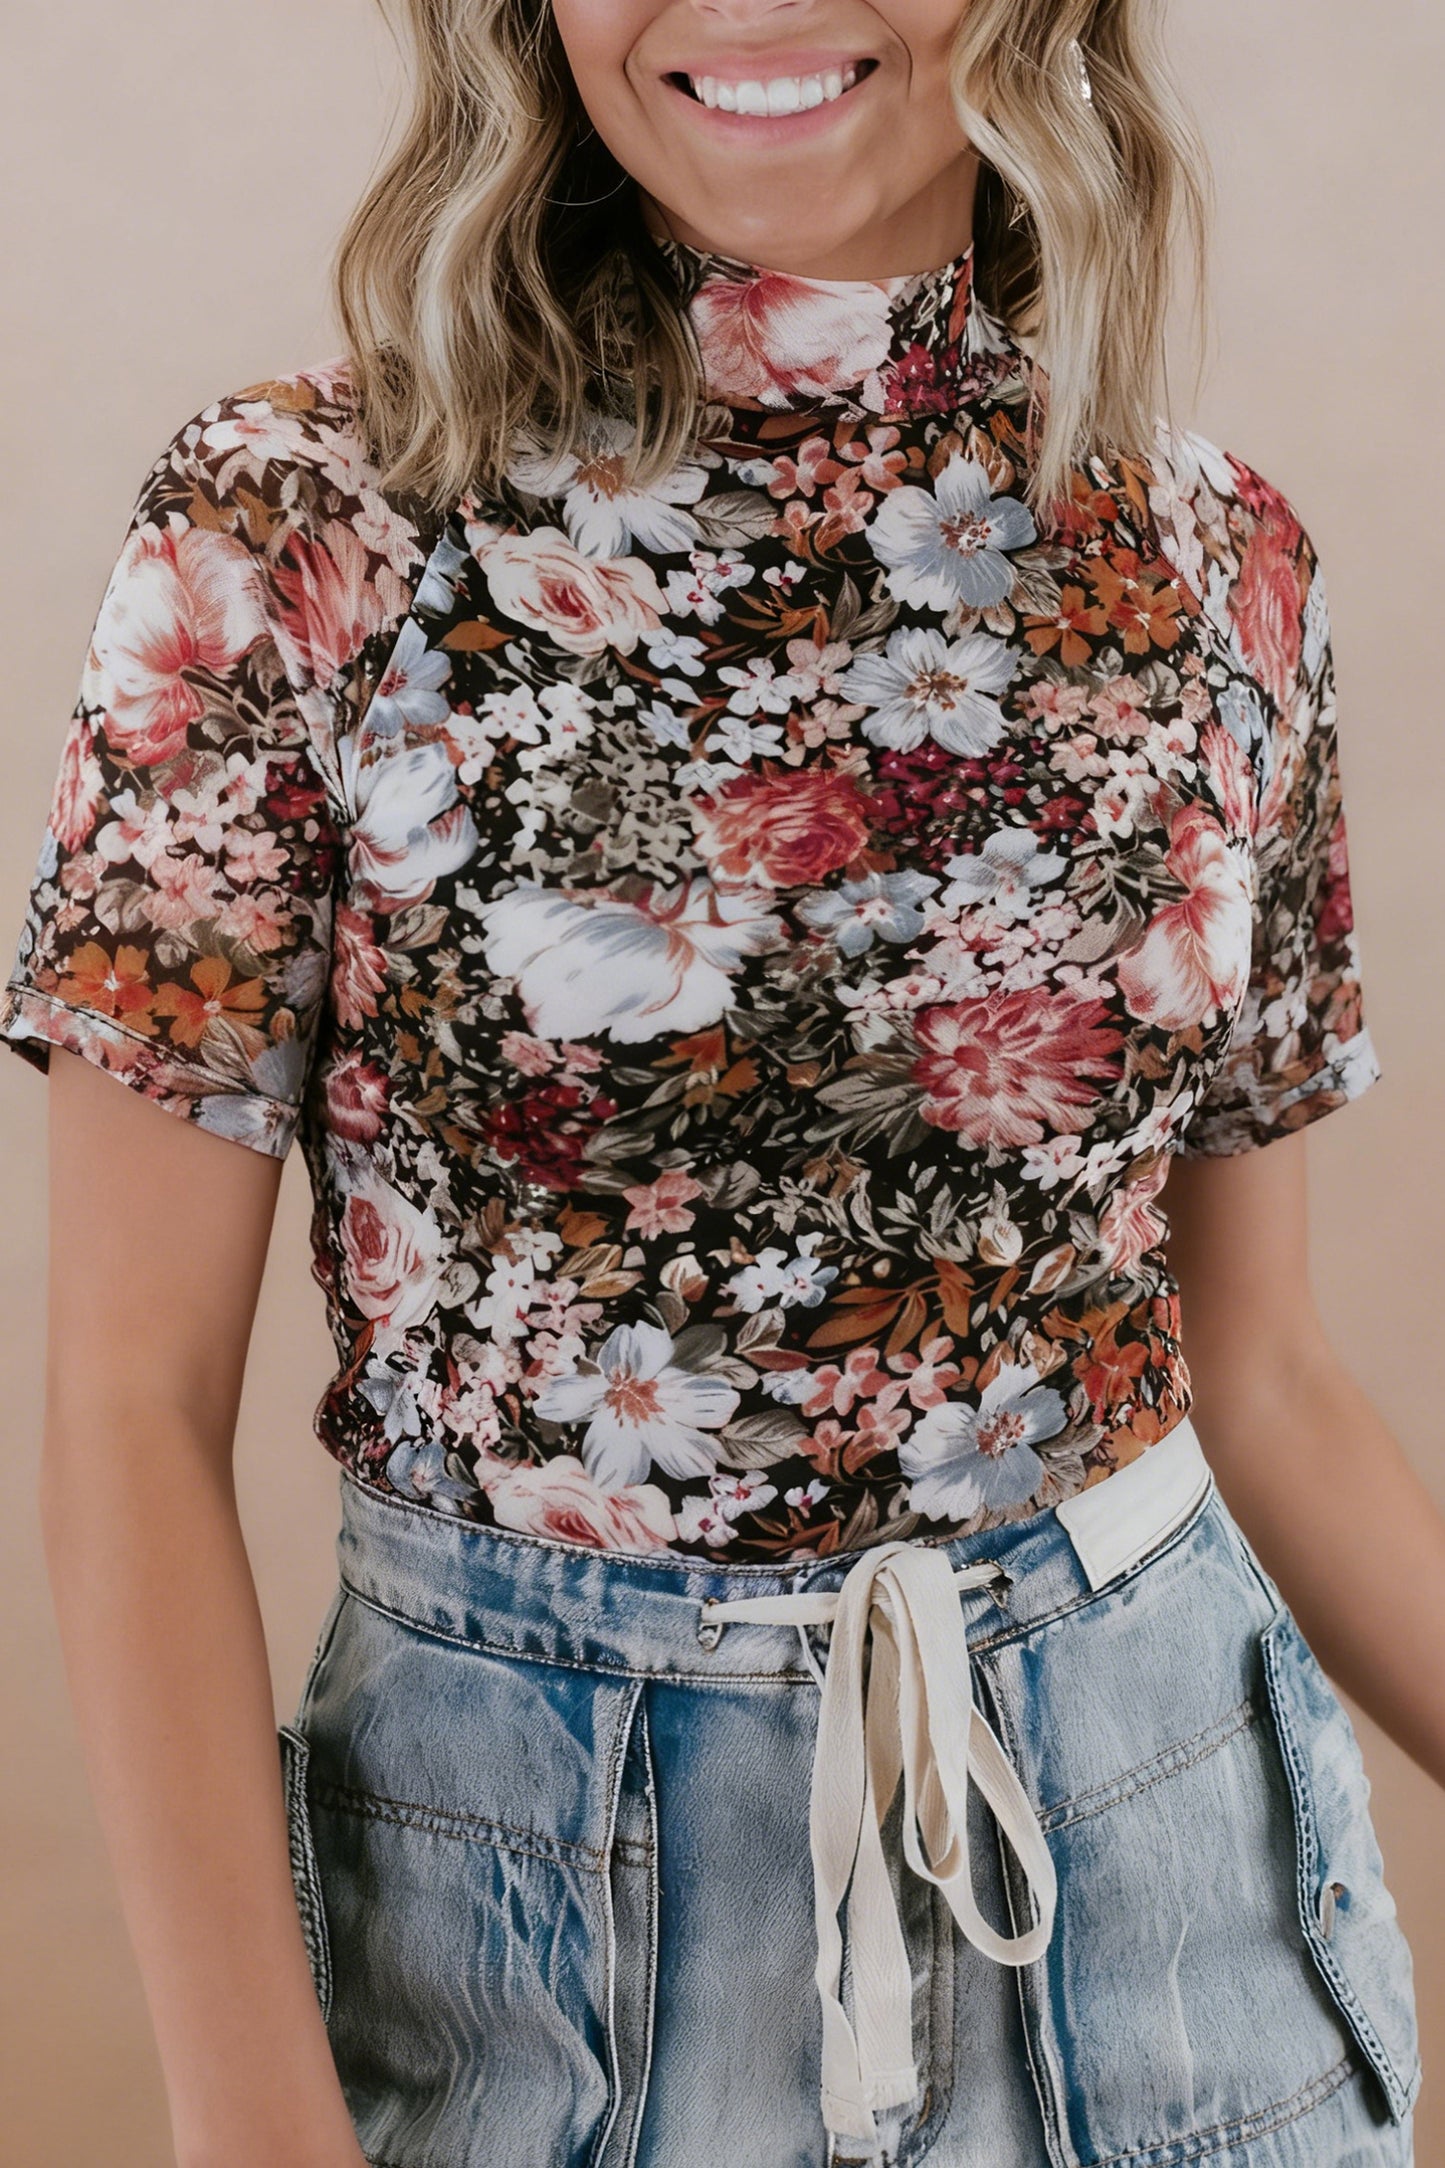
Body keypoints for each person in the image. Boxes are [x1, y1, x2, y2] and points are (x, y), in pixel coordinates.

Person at [3, 1, 1442, 2163]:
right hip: (523, 1926)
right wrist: (249, 2125)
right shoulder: (294, 538)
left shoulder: (1218, 562)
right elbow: (127, 1400)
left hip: (1170, 1912)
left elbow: (1261, 1372)